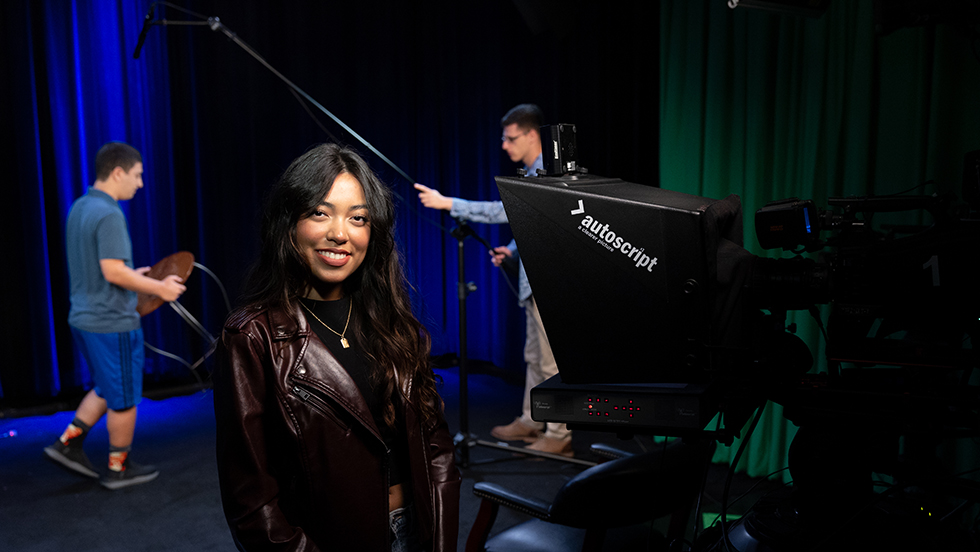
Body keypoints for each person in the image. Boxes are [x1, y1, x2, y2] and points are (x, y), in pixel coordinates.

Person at [213, 144, 460, 552]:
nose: (340, 233)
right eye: (320, 212)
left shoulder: (392, 323)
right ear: (289, 222)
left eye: (358, 218)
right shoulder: (252, 337)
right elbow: (251, 499)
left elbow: (435, 448)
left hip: (417, 532)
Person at [413, 104, 572, 458]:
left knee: (550, 360)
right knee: (534, 356)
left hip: (549, 282)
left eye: (510, 138)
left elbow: (507, 211)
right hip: (535, 281)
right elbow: (534, 223)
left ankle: (560, 433)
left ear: (532, 135)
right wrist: (513, 251)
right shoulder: (534, 172)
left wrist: (448, 202)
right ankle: (533, 419)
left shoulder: (547, 170)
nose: (504, 145)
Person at [44, 141, 187, 490]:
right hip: (111, 323)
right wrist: (158, 288)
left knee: (108, 387)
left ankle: (68, 444)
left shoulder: (80, 206)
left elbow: (104, 269)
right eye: (137, 175)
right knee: (123, 396)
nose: (139, 184)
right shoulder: (109, 213)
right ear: (118, 171)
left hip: (84, 317)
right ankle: (119, 468)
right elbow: (112, 271)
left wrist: (132, 274)